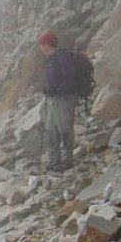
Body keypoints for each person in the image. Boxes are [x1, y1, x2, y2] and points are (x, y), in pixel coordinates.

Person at [37, 30, 80, 171]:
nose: (40, 47)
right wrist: (48, 89)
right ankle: (54, 160)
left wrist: (57, 90)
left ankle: (68, 161)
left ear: (46, 45)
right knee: (50, 130)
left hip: (64, 98)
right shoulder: (50, 58)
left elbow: (69, 77)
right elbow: (53, 80)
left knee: (64, 129)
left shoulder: (62, 55)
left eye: (41, 44)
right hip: (53, 99)